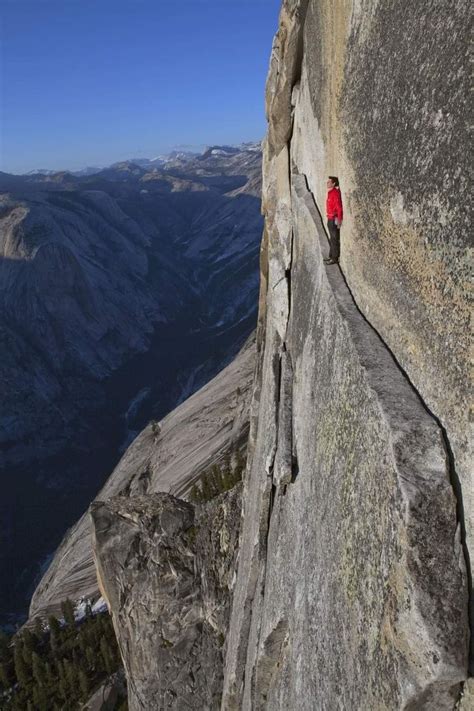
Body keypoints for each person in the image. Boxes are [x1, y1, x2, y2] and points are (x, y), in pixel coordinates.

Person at [324, 176, 343, 265]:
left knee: (334, 238)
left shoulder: (335, 193)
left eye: (329, 182)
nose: (327, 183)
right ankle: (331, 256)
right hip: (330, 218)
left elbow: (339, 208)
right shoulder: (331, 193)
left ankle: (334, 258)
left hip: (333, 219)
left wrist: (339, 220)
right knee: (332, 238)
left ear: (334, 183)